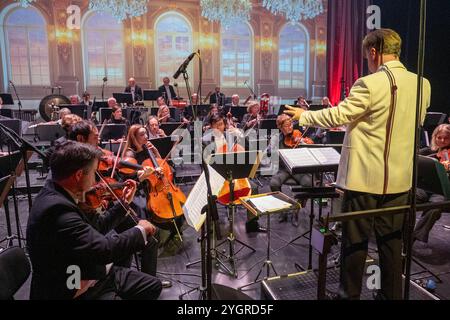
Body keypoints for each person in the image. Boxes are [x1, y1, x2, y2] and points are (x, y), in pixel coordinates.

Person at [285, 28, 431, 300]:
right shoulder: (423, 83)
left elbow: (339, 115)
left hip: (364, 180)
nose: (368, 60)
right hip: (400, 182)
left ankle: (348, 296)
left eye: (367, 55)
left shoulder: (369, 83)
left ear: (374, 52)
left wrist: (305, 115)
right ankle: (391, 295)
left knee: (355, 243)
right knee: (391, 243)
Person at [26, 141, 162, 299]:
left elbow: (98, 226)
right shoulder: (57, 210)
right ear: (78, 175)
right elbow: (103, 249)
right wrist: (140, 230)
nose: (95, 181)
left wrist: (123, 203)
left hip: (83, 269)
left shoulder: (60, 191)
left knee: (152, 284)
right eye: (93, 173)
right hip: (72, 286)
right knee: (146, 284)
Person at [205, 114, 266, 233]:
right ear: (211, 126)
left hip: (234, 172)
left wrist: (241, 135)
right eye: (216, 125)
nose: (219, 127)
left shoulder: (230, 136)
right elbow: (206, 161)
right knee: (210, 193)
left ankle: (252, 223)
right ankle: (214, 226)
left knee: (253, 188)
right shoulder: (206, 140)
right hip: (217, 175)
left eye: (221, 124)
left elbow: (247, 150)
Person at [270, 114, 313, 222]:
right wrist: (272, 151)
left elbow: (310, 144)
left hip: (298, 168)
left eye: (291, 125)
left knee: (308, 183)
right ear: (280, 127)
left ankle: (297, 206)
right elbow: (272, 157)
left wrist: (303, 142)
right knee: (274, 183)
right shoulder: (276, 138)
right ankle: (282, 209)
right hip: (284, 169)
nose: (290, 128)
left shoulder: (297, 134)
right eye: (286, 126)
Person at [413, 124, 450, 247]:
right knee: (405, 199)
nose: (442, 141)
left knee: (435, 208)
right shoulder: (429, 151)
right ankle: (398, 233)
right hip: (426, 188)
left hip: (442, 191)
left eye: (446, 138)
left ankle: (413, 237)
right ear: (435, 137)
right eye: (439, 138)